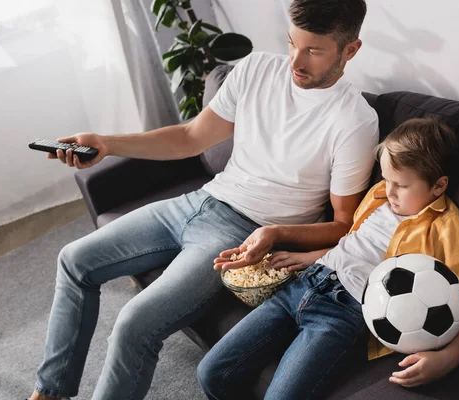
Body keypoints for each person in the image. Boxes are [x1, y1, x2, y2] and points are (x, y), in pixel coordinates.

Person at [27, 1, 378, 399]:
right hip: (198, 201)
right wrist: (107, 143)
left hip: (241, 233)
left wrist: (274, 233)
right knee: (74, 260)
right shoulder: (257, 68)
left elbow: (345, 224)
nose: (295, 61)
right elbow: (191, 137)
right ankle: (50, 391)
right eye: (291, 43)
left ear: (350, 50)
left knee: (134, 323)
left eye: (313, 51)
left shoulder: (354, 120)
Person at [199, 117, 459, 399]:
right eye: (386, 179)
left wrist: (449, 357)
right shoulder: (378, 196)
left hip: (342, 312)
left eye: (401, 185)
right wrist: (310, 257)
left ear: (438, 186)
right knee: (211, 372)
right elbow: (354, 242)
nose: (389, 191)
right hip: (302, 285)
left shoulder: (446, 227)